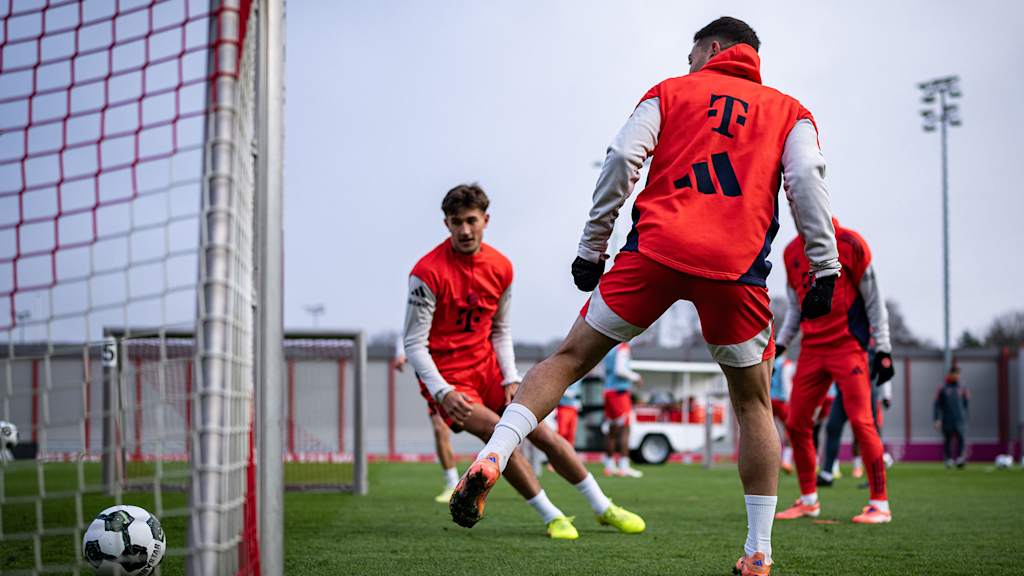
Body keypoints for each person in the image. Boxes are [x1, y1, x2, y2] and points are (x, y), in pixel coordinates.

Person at [452, 17, 841, 575]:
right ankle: (759, 553)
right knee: (753, 405)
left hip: (654, 253)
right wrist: (823, 266)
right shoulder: (791, 111)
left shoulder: (669, 91)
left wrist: (593, 247)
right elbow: (806, 176)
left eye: (692, 55)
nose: (688, 65)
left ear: (711, 48)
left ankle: (494, 453)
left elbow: (620, 160)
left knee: (568, 360)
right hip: (736, 270)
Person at [405, 183, 645, 540]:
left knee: (542, 432)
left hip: (488, 368)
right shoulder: (426, 272)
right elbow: (413, 342)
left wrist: (510, 378)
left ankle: (601, 506)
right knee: (496, 435)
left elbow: (500, 330)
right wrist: (441, 391)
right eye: (457, 222)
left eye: (471, 220)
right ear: (447, 224)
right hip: (450, 380)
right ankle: (552, 515)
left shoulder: (501, 267)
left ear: (486, 220)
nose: (465, 230)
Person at [774, 217, 895, 525]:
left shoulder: (850, 243)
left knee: (861, 421)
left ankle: (879, 503)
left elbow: (874, 300)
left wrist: (883, 348)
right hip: (812, 350)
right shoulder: (790, 253)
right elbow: (795, 308)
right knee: (797, 422)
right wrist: (782, 344)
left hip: (848, 347)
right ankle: (809, 499)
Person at [394, 336, 459, 503]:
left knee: (492, 426)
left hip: (461, 372)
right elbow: (406, 332)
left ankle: (524, 479)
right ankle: (453, 485)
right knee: (439, 429)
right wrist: (401, 353)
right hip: (436, 382)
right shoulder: (419, 312)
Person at [818, 349, 893, 487]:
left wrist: (887, 395)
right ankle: (827, 473)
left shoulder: (868, 340)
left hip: (865, 388)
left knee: (867, 431)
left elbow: (883, 365)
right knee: (832, 426)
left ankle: (876, 476)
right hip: (843, 389)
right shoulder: (839, 339)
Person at [603, 342, 644, 478]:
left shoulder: (609, 348)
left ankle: (609, 466)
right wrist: (636, 377)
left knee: (612, 430)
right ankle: (624, 467)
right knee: (625, 429)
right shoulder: (623, 347)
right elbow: (620, 370)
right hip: (619, 393)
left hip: (608, 391)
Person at [934, 364, 969, 468]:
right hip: (947, 418)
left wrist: (965, 417)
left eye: (958, 374)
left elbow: (966, 405)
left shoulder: (962, 387)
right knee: (948, 440)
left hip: (960, 419)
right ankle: (948, 459)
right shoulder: (943, 388)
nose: (956, 376)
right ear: (950, 374)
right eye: (954, 373)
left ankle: (960, 459)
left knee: (961, 439)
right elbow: (937, 405)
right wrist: (937, 419)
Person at [769, 355, 795, 474]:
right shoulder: (785, 362)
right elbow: (786, 381)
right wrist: (788, 398)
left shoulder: (767, 359)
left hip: (768, 400)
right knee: (788, 431)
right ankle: (786, 461)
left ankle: (769, 461)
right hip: (782, 400)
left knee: (767, 431)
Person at [555, 380, 583, 447]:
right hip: (563, 407)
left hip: (573, 409)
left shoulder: (578, 378)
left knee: (571, 434)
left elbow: (578, 392)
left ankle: (568, 453)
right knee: (562, 433)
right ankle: (560, 452)